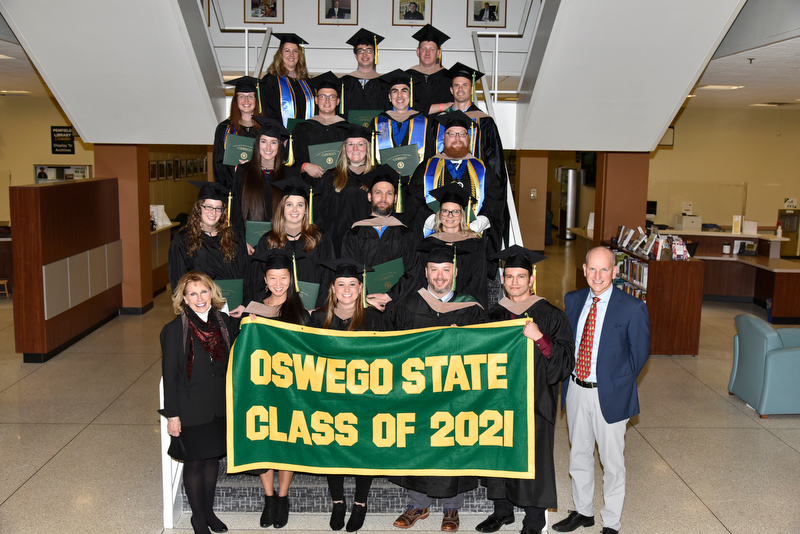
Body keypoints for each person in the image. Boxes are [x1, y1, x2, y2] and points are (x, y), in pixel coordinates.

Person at [386, 243, 487, 532]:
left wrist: (464, 340)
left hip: (456, 393)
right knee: (419, 443)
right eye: (434, 270)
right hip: (418, 392)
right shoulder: (408, 305)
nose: (440, 276)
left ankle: (452, 509)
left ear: (454, 272)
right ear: (426, 272)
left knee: (453, 443)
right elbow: (391, 347)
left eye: (446, 270)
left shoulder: (470, 308)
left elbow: (486, 350)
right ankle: (417, 505)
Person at [476, 246, 574, 534]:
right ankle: (502, 512)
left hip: (535, 399)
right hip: (498, 399)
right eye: (509, 276)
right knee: (499, 453)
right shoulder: (493, 315)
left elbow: (566, 360)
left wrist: (540, 337)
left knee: (534, 459)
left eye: (521, 276)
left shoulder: (551, 315)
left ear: (531, 279)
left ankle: (534, 520)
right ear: (503, 280)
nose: (515, 282)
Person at [553, 246, 651, 534]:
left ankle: (611, 522)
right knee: (579, 455)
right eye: (592, 269)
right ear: (584, 270)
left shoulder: (632, 307)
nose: (597, 276)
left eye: (604, 269)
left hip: (610, 394)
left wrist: (616, 382)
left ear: (615, 272)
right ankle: (583, 511)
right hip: (575, 388)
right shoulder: (573, 299)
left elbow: (640, 353)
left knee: (612, 463)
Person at [159, 271, 238, 534]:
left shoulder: (225, 322)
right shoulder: (174, 330)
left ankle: (209, 512)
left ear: (212, 293)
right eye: (192, 293)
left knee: (212, 461)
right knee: (194, 463)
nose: (199, 298)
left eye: (204, 291)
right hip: (190, 407)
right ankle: (198, 518)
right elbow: (169, 376)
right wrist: (172, 415)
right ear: (183, 297)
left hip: (219, 406)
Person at [310, 259, 383, 531]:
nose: (347, 289)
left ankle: (360, 502)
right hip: (329, 398)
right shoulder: (318, 318)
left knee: (364, 448)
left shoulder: (374, 318)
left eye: (352, 284)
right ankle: (338, 501)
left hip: (365, 397)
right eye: (341, 284)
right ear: (333, 288)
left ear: (361, 287)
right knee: (333, 448)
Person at [242, 248, 308, 529]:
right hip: (262, 390)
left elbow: (308, 352)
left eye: (283, 277)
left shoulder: (300, 312)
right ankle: (269, 497)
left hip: (290, 390)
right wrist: (248, 325)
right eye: (273, 278)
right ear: (265, 280)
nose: (278, 283)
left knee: (287, 441)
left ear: (290, 279)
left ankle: (283, 496)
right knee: (265, 441)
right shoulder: (253, 309)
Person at [409, 111, 505, 264]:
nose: (457, 138)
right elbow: (413, 198)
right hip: (434, 241)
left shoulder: (483, 168)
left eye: (462, 134)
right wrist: (435, 220)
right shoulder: (426, 168)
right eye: (452, 134)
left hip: (472, 242)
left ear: (469, 138)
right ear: (444, 137)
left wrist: (477, 224)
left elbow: (496, 201)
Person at [341, 165, 422, 311]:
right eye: (378, 193)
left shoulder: (406, 234)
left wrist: (390, 296)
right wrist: (366, 297)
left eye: (389, 193)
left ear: (396, 198)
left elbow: (414, 272)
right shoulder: (354, 233)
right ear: (369, 196)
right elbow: (348, 272)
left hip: (398, 306)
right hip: (363, 306)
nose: (383, 198)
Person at [246, 177, 335, 310]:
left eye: (300, 205)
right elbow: (258, 279)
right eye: (289, 204)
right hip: (276, 310)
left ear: (306, 209)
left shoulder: (319, 238)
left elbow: (328, 277)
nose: (295, 210)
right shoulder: (268, 240)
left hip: (312, 309)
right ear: (282, 208)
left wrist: (319, 308)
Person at [169, 181, 247, 291]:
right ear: (198, 207)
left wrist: (244, 303)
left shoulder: (233, 236)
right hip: (200, 304)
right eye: (208, 207)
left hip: (233, 302)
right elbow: (179, 280)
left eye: (218, 208)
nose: (213, 213)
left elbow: (245, 272)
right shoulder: (183, 240)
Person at [420, 182, 487, 306]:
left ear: (462, 215)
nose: (450, 216)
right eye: (445, 211)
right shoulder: (428, 243)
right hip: (432, 304)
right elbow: (422, 278)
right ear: (439, 214)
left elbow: (478, 279)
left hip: (465, 305)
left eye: (455, 211)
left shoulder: (474, 243)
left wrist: (459, 302)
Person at [230, 118, 289, 252]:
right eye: (264, 141)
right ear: (257, 144)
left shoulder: (288, 175)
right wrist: (241, 242)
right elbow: (236, 211)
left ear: (280, 145)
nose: (268, 148)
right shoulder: (243, 171)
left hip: (281, 245)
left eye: (273, 142)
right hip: (250, 246)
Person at [315, 124, 373, 255]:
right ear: (344, 148)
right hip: (337, 243)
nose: (355, 149)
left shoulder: (378, 175)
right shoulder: (331, 176)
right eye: (350, 144)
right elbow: (320, 212)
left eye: (360, 144)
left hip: (370, 242)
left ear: (367, 147)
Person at [291, 71, 350, 180]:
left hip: (339, 186)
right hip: (310, 186)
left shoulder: (348, 129)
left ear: (338, 101)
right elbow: (292, 161)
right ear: (316, 100)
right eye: (323, 96)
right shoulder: (302, 128)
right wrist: (304, 166)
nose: (327, 101)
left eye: (332, 97)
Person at [372, 69, 431, 170]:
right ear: (390, 97)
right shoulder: (378, 122)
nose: (399, 96)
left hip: (415, 180)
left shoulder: (423, 122)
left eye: (404, 91)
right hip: (386, 181)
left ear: (410, 95)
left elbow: (429, 155)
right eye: (395, 91)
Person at [213, 76, 262, 189]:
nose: (246, 100)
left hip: (259, 190)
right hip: (233, 189)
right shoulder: (224, 129)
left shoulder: (265, 128)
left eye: (250, 96)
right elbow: (218, 164)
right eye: (241, 96)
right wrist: (226, 192)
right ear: (236, 100)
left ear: (256, 99)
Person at [260, 33, 315, 127]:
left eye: (295, 51)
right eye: (287, 51)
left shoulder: (307, 83)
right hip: (280, 137)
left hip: (305, 137)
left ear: (300, 54)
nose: (291, 55)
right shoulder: (270, 80)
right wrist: (281, 137)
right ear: (280, 54)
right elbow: (268, 112)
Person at [340, 28, 389, 118]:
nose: (364, 54)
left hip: (376, 131)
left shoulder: (384, 84)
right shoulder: (344, 82)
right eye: (360, 51)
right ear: (355, 55)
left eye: (369, 50)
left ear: (375, 54)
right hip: (349, 131)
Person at [406, 25, 453, 116]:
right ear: (418, 52)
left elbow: (452, 107)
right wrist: (441, 106)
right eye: (424, 49)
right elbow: (405, 107)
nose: (427, 53)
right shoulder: (406, 77)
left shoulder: (449, 77)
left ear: (438, 53)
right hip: (414, 127)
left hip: (440, 127)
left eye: (432, 49)